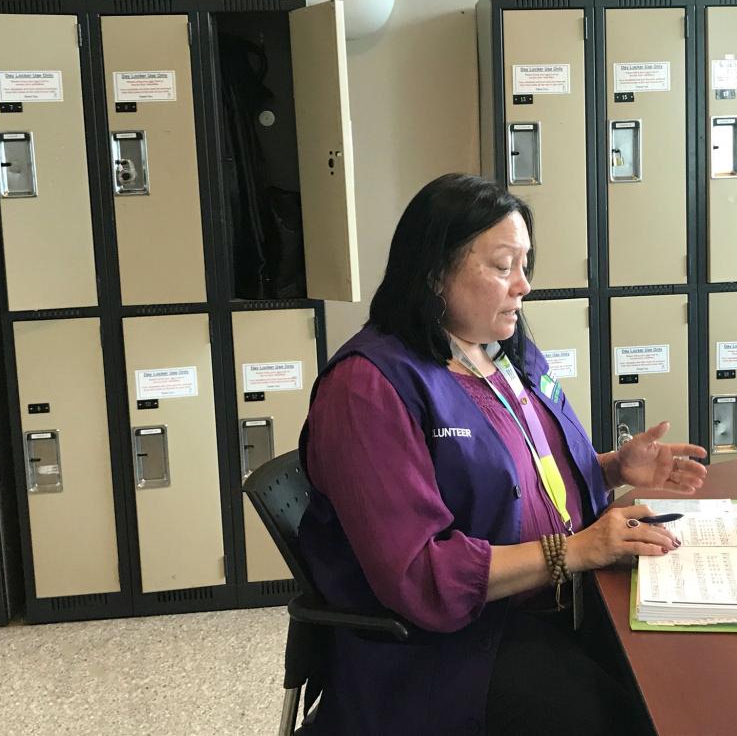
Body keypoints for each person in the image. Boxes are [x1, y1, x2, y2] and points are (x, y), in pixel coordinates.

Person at [298, 173, 708, 735]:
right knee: (626, 719)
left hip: (551, 604)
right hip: (445, 652)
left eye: (525, 265)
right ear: (435, 272)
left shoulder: (502, 350)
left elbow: (521, 479)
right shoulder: (368, 389)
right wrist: (574, 551)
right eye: (501, 266)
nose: (523, 286)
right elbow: (420, 573)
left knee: (680, 680)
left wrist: (610, 469)